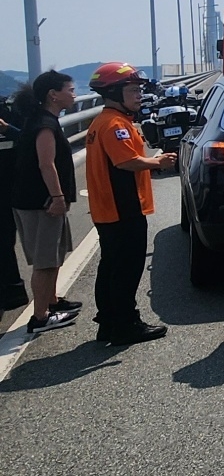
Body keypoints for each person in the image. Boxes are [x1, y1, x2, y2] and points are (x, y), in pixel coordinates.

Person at [85, 63, 177, 346]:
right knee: (126, 267)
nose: (139, 95)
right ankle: (126, 325)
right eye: (132, 90)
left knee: (111, 265)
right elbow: (126, 162)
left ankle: (109, 322)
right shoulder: (115, 125)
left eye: (139, 90)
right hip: (122, 207)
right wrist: (158, 162)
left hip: (107, 208)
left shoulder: (104, 121)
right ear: (114, 92)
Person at [11, 71, 84, 336]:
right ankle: (40, 316)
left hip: (35, 200)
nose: (74, 94)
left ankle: (52, 302)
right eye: (70, 89)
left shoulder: (43, 120)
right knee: (45, 261)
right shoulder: (45, 124)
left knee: (54, 255)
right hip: (39, 203)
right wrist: (57, 197)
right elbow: (46, 164)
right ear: (53, 95)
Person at [0, 93, 34, 311]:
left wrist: (6, 128)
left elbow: (30, 141)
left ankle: (13, 291)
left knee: (4, 241)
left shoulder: (11, 110)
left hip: (10, 188)